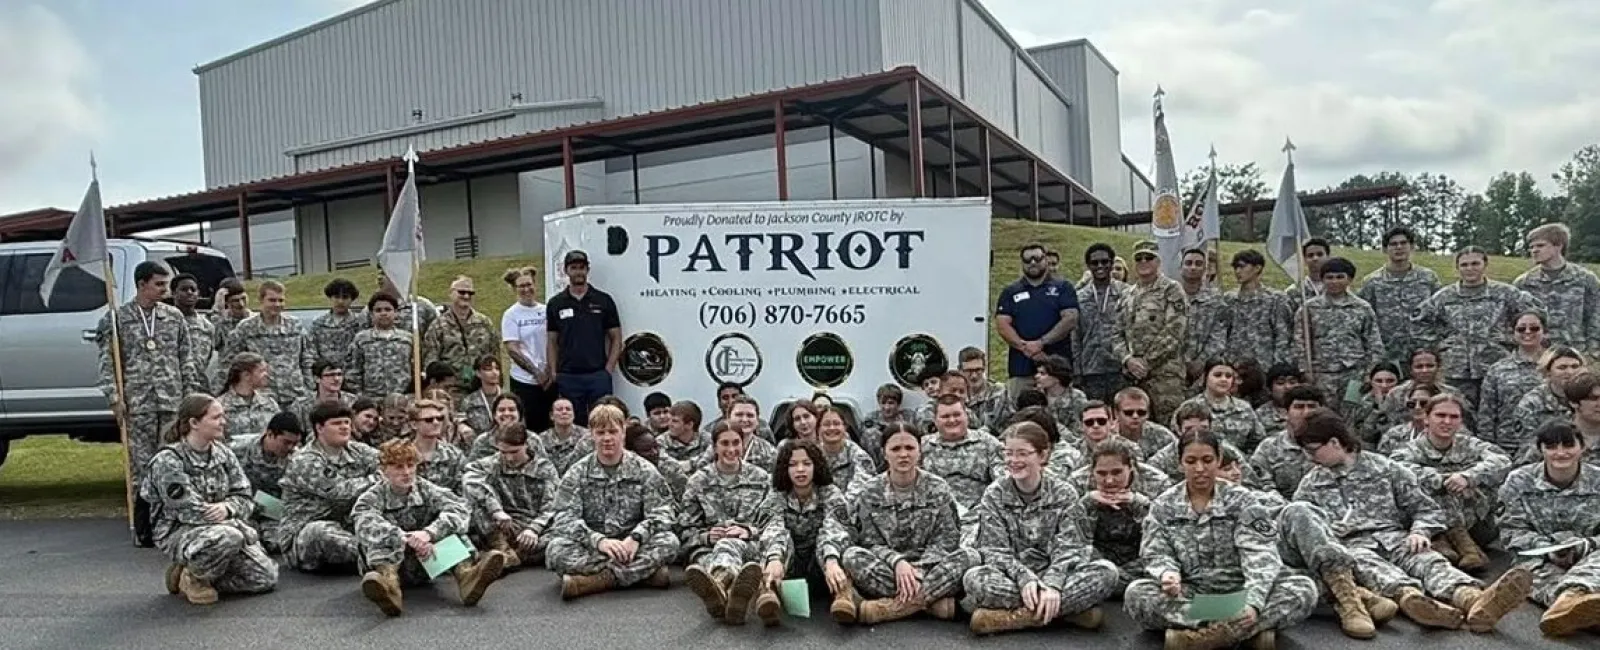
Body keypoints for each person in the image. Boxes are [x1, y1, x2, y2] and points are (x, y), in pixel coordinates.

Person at [1292, 409, 1532, 632]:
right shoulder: (1311, 484)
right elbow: (1304, 529)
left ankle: (1473, 600)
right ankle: (1416, 602)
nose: (1309, 457)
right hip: (1352, 546)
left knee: (1430, 562)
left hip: (1396, 537)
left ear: (1335, 442)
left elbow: (1425, 508)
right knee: (1376, 570)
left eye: (1313, 449)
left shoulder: (1386, 469)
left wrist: (1421, 531)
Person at [1125, 429, 1318, 649]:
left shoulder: (1243, 500)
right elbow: (1156, 551)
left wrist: (1253, 603)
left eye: (1207, 460)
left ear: (1218, 460)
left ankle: (1200, 640)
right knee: (1137, 594)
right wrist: (1167, 573)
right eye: (1191, 461)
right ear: (1180, 464)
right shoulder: (1163, 505)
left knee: (1302, 589)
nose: (1199, 469)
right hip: (1194, 597)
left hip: (1240, 592)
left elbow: (1260, 555)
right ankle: (1245, 632)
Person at [962, 422, 1118, 635]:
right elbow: (994, 551)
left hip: (1056, 574)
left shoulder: (1064, 493)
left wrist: (1053, 585)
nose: (1013, 461)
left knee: (1107, 572)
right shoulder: (994, 494)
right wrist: (1025, 579)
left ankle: (1013, 618)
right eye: (1008, 453)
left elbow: (1072, 548)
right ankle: (1069, 613)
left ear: (1043, 455)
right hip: (1013, 578)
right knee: (974, 579)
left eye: (1023, 453)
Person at [98, 260, 204, 546]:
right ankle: (143, 525)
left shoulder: (173, 317)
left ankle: (173, 519)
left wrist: (191, 398)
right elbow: (108, 363)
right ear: (142, 284)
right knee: (142, 465)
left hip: (172, 400)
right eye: (158, 284)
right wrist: (114, 398)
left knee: (172, 461)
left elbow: (187, 358)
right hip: (139, 402)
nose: (164, 290)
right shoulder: (117, 319)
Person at [837, 422, 979, 625]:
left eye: (909, 448)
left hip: (931, 567)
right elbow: (869, 542)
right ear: (885, 453)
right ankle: (932, 603)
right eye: (895, 449)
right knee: (852, 556)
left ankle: (893, 607)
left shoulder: (938, 488)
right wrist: (898, 563)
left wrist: (918, 572)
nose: (903, 454)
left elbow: (947, 540)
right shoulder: (870, 491)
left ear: (919, 451)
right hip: (890, 570)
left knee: (970, 556)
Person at [145, 394, 278, 604]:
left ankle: (190, 574)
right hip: (180, 530)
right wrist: (236, 524)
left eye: (223, 416)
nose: (223, 422)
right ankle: (195, 577)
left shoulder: (223, 454)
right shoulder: (169, 461)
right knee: (229, 536)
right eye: (216, 418)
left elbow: (244, 496)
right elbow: (190, 511)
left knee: (265, 577)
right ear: (194, 423)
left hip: (222, 527)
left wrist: (228, 507)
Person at [353, 439, 508, 616]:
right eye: (398, 467)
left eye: (411, 465)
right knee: (379, 538)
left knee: (450, 529)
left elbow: (460, 508)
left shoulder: (426, 489)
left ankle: (467, 578)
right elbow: (364, 524)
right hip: (387, 564)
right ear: (383, 471)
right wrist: (406, 538)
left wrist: (429, 533)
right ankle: (389, 588)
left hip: (425, 561)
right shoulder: (371, 497)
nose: (407, 472)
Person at [546, 404, 679, 599]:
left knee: (669, 542)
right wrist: (599, 541)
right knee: (556, 550)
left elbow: (663, 511)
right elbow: (563, 517)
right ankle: (644, 575)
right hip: (594, 544)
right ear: (592, 434)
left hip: (631, 543)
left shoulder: (643, 469)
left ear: (623, 432)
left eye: (612, 431)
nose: (607, 438)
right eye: (600, 432)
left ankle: (593, 582)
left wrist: (636, 538)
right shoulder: (577, 472)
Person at [1497, 421, 1600, 636]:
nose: (1560, 453)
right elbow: (1510, 529)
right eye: (1552, 447)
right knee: (1526, 576)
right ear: (1540, 449)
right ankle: (1576, 606)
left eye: (1568, 446)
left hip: (1590, 552)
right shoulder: (1519, 481)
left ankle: (1571, 600)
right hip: (1539, 555)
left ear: (1582, 447)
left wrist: (1586, 545)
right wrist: (1547, 549)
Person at [1390, 394, 1511, 571]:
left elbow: (1503, 461)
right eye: (1440, 415)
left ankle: (1455, 542)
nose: (1447, 421)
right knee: (1439, 489)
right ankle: (1460, 547)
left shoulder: (1469, 444)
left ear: (1461, 421)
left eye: (1454, 417)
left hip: (1475, 523)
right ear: (1426, 418)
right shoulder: (1411, 449)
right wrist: (1442, 479)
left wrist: (1469, 477)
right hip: (1427, 525)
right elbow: (1397, 468)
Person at [1412, 246, 1538, 404]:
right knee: (1457, 411)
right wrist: (1439, 344)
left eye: (1475, 263)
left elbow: (1535, 317)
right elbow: (1418, 321)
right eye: (1464, 265)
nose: (1469, 269)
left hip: (1496, 365)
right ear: (1457, 268)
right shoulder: (1445, 296)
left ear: (1485, 265)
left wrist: (1511, 339)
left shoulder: (1505, 293)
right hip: (1456, 370)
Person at [679, 421, 773, 624]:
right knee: (707, 560)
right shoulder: (699, 481)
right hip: (708, 549)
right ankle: (733, 597)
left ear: (743, 445)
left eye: (736, 443)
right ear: (714, 447)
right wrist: (705, 536)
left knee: (727, 545)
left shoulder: (761, 478)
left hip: (750, 546)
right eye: (724, 444)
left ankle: (720, 585)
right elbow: (684, 529)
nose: (731, 449)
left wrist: (748, 531)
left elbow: (773, 521)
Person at [275, 402, 380, 574]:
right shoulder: (305, 460)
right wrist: (376, 479)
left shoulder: (357, 451)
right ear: (320, 428)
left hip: (348, 523)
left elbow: (390, 464)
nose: (344, 427)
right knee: (321, 533)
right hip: (304, 534)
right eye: (337, 423)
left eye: (346, 422)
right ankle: (385, 558)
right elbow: (339, 492)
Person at [759, 439, 854, 626]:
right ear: (785, 469)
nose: (800, 470)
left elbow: (834, 528)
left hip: (823, 567)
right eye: (793, 465)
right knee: (771, 544)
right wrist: (775, 558)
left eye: (806, 464)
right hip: (789, 566)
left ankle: (843, 595)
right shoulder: (777, 495)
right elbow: (773, 527)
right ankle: (767, 594)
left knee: (838, 546)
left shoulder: (830, 493)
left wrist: (832, 560)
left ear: (816, 466)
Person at [461, 422, 562, 570]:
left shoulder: (544, 469)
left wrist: (534, 528)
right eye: (503, 452)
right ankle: (502, 550)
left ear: (526, 445)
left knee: (561, 531)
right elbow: (469, 478)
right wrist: (496, 510)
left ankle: (507, 560)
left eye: (514, 452)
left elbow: (552, 506)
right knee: (477, 503)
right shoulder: (493, 463)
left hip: (532, 527)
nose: (508, 458)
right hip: (502, 525)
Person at [1294, 257, 1384, 418]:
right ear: (1322, 279)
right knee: (1323, 416)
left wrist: (1368, 374)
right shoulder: (1309, 308)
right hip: (1321, 375)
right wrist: (1305, 371)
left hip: (1354, 375)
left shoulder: (1362, 308)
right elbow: (1299, 342)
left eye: (1340, 277)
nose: (1334, 281)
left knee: (1353, 415)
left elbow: (1374, 343)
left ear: (1349, 279)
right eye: (1329, 277)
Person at [995, 241, 1080, 400]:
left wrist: (1041, 343)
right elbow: (1002, 324)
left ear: (1046, 260)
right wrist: (1024, 347)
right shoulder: (1010, 291)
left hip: (1057, 370)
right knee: (1019, 415)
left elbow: (1070, 319)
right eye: (1027, 260)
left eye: (1037, 258)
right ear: (1022, 263)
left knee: (1060, 414)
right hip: (1021, 368)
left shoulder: (1063, 287)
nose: (1032, 262)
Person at [546, 250, 622, 426]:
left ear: (588, 270)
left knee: (604, 422)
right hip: (568, 376)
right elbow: (551, 340)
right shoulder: (556, 303)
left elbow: (616, 337)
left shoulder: (603, 300)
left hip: (597, 375)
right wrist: (554, 371)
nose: (578, 272)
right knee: (574, 425)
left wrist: (608, 369)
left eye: (582, 268)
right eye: (573, 268)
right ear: (566, 271)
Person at [1119, 240, 1189, 426]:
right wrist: (1128, 360)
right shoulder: (1127, 295)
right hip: (1132, 376)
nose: (1143, 262)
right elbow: (1115, 333)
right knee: (1135, 428)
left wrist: (1146, 362)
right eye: (1139, 258)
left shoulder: (1171, 290)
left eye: (1149, 257)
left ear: (1158, 261)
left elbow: (1175, 331)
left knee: (1171, 427)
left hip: (1165, 376)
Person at [223, 280, 313, 410]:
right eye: (272, 300)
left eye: (281, 300)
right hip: (263, 398)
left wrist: (310, 388)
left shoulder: (295, 325)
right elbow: (230, 362)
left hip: (295, 396)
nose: (277, 304)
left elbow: (306, 358)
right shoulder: (246, 328)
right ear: (261, 300)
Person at [1513, 222, 1600, 356]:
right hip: (1537, 355)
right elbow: (1515, 321)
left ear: (1559, 246)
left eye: (1540, 245)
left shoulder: (1585, 279)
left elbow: (1595, 317)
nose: (1534, 250)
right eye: (1531, 247)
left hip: (1575, 355)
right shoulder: (1523, 283)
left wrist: (1592, 351)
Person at [1359, 226, 1441, 367]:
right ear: (1385, 249)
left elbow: (1441, 312)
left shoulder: (1428, 278)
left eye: (1403, 243)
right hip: (1388, 354)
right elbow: (1365, 319)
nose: (1399, 247)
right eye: (1393, 244)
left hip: (1423, 355)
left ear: (1412, 247)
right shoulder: (1372, 282)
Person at [229, 411, 304, 553]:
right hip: (242, 509)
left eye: (294, 443)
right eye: (286, 442)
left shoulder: (297, 459)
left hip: (273, 513)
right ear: (270, 434)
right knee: (243, 542)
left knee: (278, 544)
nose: (290, 448)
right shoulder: (237, 450)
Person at [1478, 310, 1551, 449]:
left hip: (1550, 444)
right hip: (1509, 445)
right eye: (1521, 329)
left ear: (1545, 332)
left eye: (1534, 328)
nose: (1528, 332)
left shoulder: (1558, 365)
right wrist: (1487, 447)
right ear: (1513, 333)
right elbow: (1486, 415)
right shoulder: (1497, 370)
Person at [1504, 348, 1587, 457]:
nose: (1570, 372)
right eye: (1562, 368)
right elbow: (1529, 447)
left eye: (1575, 366)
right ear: (1548, 372)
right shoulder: (1531, 403)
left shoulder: (1592, 397)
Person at [1074, 243, 1130, 404]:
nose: (1100, 266)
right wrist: (1077, 370)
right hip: (1091, 370)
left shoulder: (1127, 293)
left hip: (1120, 368)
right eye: (1095, 263)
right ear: (1088, 266)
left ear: (1112, 264)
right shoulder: (1079, 297)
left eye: (1105, 262)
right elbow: (1075, 336)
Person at [500, 266, 555, 431]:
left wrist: (549, 370)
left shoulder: (546, 310)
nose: (526, 289)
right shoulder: (511, 315)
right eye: (521, 286)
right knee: (530, 425)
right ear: (514, 289)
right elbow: (512, 348)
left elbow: (554, 341)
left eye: (529, 284)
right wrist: (535, 372)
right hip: (524, 379)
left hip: (549, 378)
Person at [424, 275, 499, 391]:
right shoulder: (437, 326)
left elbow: (495, 356)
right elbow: (431, 363)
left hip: (481, 389)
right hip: (451, 390)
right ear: (451, 293)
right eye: (462, 292)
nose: (466, 296)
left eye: (470, 293)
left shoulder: (485, 323)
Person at [1178, 359, 1267, 454]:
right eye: (1217, 375)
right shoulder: (1189, 407)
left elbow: (1258, 441)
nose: (1223, 379)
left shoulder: (1244, 408)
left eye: (1228, 376)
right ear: (1205, 377)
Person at [1223, 249, 1293, 370]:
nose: (1237, 271)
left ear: (1257, 268)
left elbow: (1283, 335)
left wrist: (1279, 365)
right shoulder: (1229, 299)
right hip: (1233, 364)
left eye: (1242, 267)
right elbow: (1223, 333)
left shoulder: (1275, 299)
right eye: (1235, 267)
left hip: (1264, 365)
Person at [346, 292, 418, 400]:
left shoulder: (408, 339)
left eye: (388, 309)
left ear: (396, 313)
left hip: (402, 399)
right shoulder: (361, 339)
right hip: (371, 399)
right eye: (378, 310)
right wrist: (360, 395)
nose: (383, 313)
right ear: (371, 314)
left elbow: (415, 369)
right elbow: (353, 370)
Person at [1179, 247, 1229, 384]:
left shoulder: (1216, 301)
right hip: (1171, 368)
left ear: (1205, 269)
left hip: (1204, 370)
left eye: (1198, 264)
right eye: (1188, 263)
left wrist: (1201, 361)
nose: (1193, 267)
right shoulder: (1169, 297)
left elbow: (1219, 336)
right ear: (1180, 267)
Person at [217, 352, 280, 441]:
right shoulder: (220, 406)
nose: (266, 375)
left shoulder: (269, 403)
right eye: (261, 371)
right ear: (246, 375)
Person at [170, 274, 216, 384]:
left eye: (193, 290)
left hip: (198, 384)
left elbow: (208, 358)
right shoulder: (165, 322)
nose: (189, 292)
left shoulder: (207, 326)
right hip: (172, 385)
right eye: (184, 289)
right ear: (173, 293)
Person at [307, 278, 362, 367]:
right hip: (326, 376)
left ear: (352, 299)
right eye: (336, 297)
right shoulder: (319, 323)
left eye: (345, 297)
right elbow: (311, 352)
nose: (340, 301)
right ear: (330, 298)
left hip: (352, 374)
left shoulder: (359, 323)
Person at [288, 360, 357, 431]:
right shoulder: (301, 405)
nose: (336, 379)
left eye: (339, 374)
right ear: (317, 379)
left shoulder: (353, 402)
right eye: (330, 375)